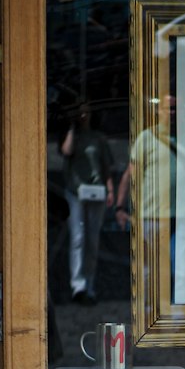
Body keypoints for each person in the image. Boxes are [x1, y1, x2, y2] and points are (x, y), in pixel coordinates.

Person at [60, 102, 115, 305]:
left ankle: (89, 284)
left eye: (86, 112)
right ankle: (78, 285)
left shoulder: (98, 138)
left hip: (96, 191)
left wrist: (110, 189)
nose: (83, 115)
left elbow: (106, 166)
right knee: (78, 237)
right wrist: (73, 127)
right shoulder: (72, 135)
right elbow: (66, 151)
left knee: (92, 239)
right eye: (79, 112)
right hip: (76, 192)